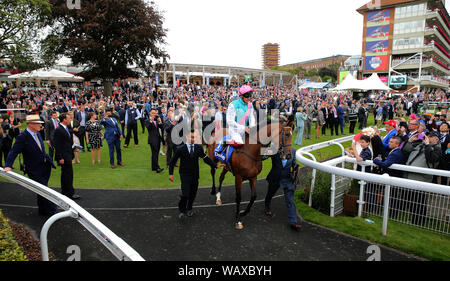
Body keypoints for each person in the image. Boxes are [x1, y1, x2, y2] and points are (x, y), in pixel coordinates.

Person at [4, 115, 58, 216]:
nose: (40, 125)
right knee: (43, 189)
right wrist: (8, 165)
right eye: (38, 123)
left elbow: (40, 149)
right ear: (31, 124)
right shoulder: (23, 136)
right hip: (34, 169)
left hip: (45, 166)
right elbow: (14, 151)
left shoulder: (37, 134)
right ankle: (52, 210)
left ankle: (43, 210)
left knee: (41, 189)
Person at [169, 130, 220, 219]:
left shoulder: (198, 148)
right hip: (184, 174)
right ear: (186, 137)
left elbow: (205, 158)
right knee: (185, 194)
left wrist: (215, 165)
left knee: (193, 193)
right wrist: (171, 174)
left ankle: (189, 208)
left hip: (195, 175)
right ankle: (182, 210)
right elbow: (172, 162)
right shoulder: (180, 149)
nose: (193, 139)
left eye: (195, 137)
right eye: (192, 137)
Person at [402, 131, 442, 225]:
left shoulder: (437, 149)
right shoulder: (420, 145)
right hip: (409, 175)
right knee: (410, 200)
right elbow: (405, 152)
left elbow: (432, 159)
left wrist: (428, 145)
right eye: (427, 135)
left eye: (431, 136)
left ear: (437, 139)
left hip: (421, 178)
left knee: (419, 201)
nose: (428, 137)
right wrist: (410, 141)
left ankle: (419, 222)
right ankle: (413, 219)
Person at [264, 147, 302, 231]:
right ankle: (267, 206)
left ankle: (293, 221)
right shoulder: (274, 149)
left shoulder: (293, 151)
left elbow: (294, 163)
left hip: (287, 179)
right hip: (275, 178)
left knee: (290, 200)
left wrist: (295, 167)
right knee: (270, 194)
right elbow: (262, 156)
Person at [373, 136, 406, 219]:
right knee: (392, 196)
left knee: (392, 197)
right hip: (394, 176)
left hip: (393, 177)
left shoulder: (395, 153)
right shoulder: (395, 151)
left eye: (391, 142)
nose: (389, 143)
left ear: (397, 144)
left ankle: (391, 215)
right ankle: (391, 214)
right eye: (390, 141)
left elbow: (385, 165)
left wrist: (376, 160)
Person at [53, 113, 80, 200]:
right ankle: (68, 193)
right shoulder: (59, 130)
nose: (70, 120)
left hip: (68, 154)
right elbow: (57, 145)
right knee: (67, 174)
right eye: (68, 118)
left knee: (67, 174)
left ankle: (66, 192)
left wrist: (74, 148)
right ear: (64, 119)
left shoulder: (66, 128)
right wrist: (60, 157)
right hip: (64, 156)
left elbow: (68, 142)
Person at [145, 108, 164, 173]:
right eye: (152, 113)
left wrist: (160, 121)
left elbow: (161, 127)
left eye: (155, 113)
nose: (154, 114)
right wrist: (151, 120)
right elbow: (148, 128)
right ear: (150, 113)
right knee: (155, 153)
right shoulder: (147, 120)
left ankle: (154, 167)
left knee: (155, 154)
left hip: (158, 138)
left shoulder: (156, 120)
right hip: (152, 140)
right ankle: (157, 168)